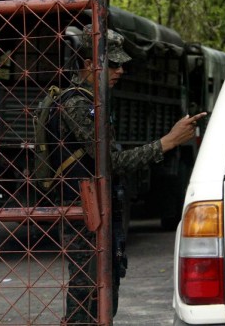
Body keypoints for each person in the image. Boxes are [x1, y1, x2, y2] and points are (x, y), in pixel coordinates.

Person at [50, 26, 206, 324]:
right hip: (84, 212)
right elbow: (113, 163)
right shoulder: (77, 104)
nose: (121, 70)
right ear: (89, 64)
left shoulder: (91, 101)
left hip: (95, 208)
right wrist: (168, 141)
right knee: (89, 294)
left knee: (102, 289)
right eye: (115, 64)